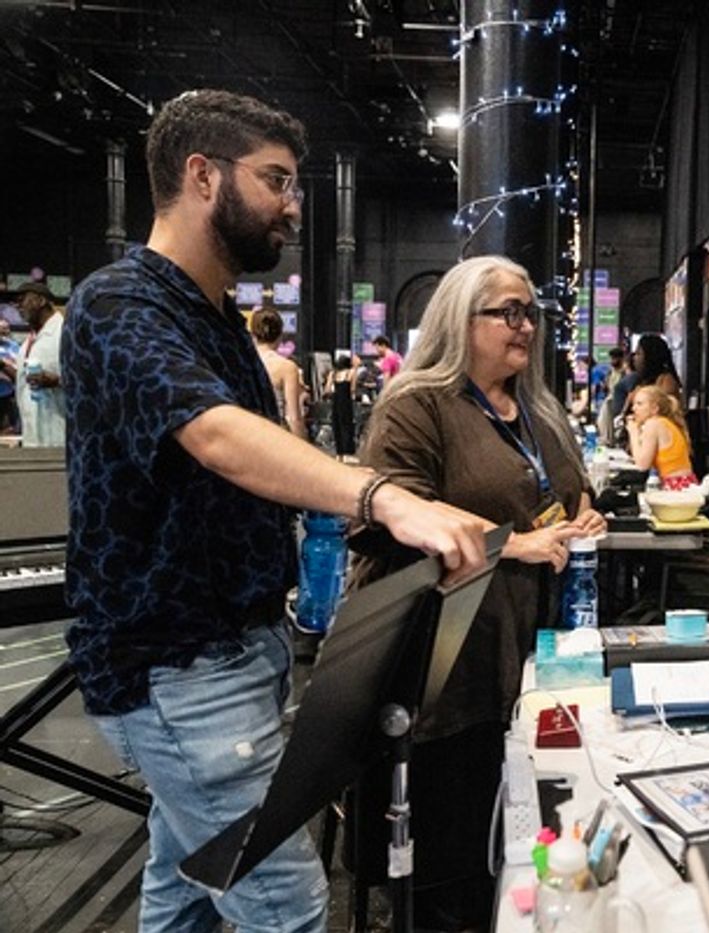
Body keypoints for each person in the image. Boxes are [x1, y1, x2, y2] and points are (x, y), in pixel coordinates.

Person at [61, 88, 490, 933]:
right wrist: (383, 495)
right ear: (201, 176)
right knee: (287, 908)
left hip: (239, 650)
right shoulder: (120, 305)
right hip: (176, 665)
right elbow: (217, 437)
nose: (293, 207)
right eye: (275, 182)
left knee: (185, 887)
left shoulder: (217, 319)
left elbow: (258, 469)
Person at [350, 255, 607, 931]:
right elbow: (389, 518)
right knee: (449, 865)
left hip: (526, 656)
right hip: (446, 663)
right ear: (460, 321)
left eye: (531, 312)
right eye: (508, 312)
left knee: (516, 850)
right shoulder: (416, 404)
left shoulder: (537, 408)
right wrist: (512, 543)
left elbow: (566, 489)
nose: (524, 326)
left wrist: (585, 514)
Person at [14, 282, 65, 448]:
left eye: (22, 300)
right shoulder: (28, 342)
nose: (18, 305)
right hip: (33, 438)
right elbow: (23, 383)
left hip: (60, 436)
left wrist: (57, 382)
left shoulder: (65, 333)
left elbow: (90, 379)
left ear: (41, 301)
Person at [627, 383, 697, 489]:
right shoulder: (664, 423)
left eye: (639, 404)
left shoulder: (654, 424)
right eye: (634, 404)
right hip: (685, 483)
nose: (633, 408)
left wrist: (633, 433)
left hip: (674, 486)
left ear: (654, 408)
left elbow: (642, 465)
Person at [250, 306, 307, 436]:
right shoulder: (287, 367)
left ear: (253, 335)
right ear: (280, 335)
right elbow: (293, 418)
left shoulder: (242, 362)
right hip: (274, 435)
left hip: (246, 437)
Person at [0, 318, 18, 434]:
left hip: (8, 394)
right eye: (2, 329)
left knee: (9, 429)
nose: (5, 332)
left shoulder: (13, 345)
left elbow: (18, 365)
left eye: (7, 329)